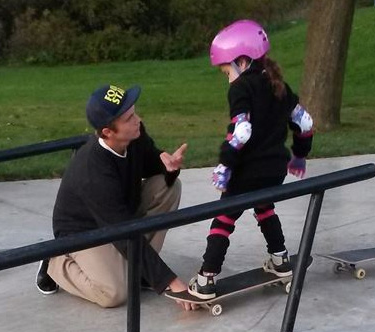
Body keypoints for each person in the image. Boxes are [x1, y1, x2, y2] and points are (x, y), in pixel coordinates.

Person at [35, 83, 196, 311]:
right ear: (108, 132)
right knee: (114, 294)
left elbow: (150, 161)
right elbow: (122, 231)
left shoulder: (134, 136)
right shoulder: (93, 171)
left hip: (118, 216)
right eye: (129, 118)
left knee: (168, 187)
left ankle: (140, 272)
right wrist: (172, 283)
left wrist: (168, 166)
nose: (137, 120)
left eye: (135, 112)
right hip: (84, 231)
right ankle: (54, 260)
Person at [188, 20, 314, 300]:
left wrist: (225, 165)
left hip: (246, 171)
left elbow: (242, 131)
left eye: (226, 71)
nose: (227, 78)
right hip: (275, 170)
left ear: (242, 61)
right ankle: (280, 259)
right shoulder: (279, 85)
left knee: (224, 218)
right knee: (264, 207)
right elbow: (305, 123)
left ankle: (207, 278)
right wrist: (300, 155)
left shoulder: (241, 88)